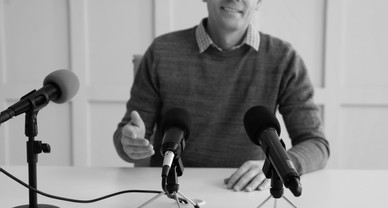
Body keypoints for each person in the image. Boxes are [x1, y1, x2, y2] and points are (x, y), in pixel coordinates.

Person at [113, 0, 330, 192]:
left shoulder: (283, 58)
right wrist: (129, 142)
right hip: (172, 192)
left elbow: (316, 144)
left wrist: (281, 163)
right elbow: (126, 138)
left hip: (244, 194)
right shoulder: (161, 51)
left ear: (259, 2)